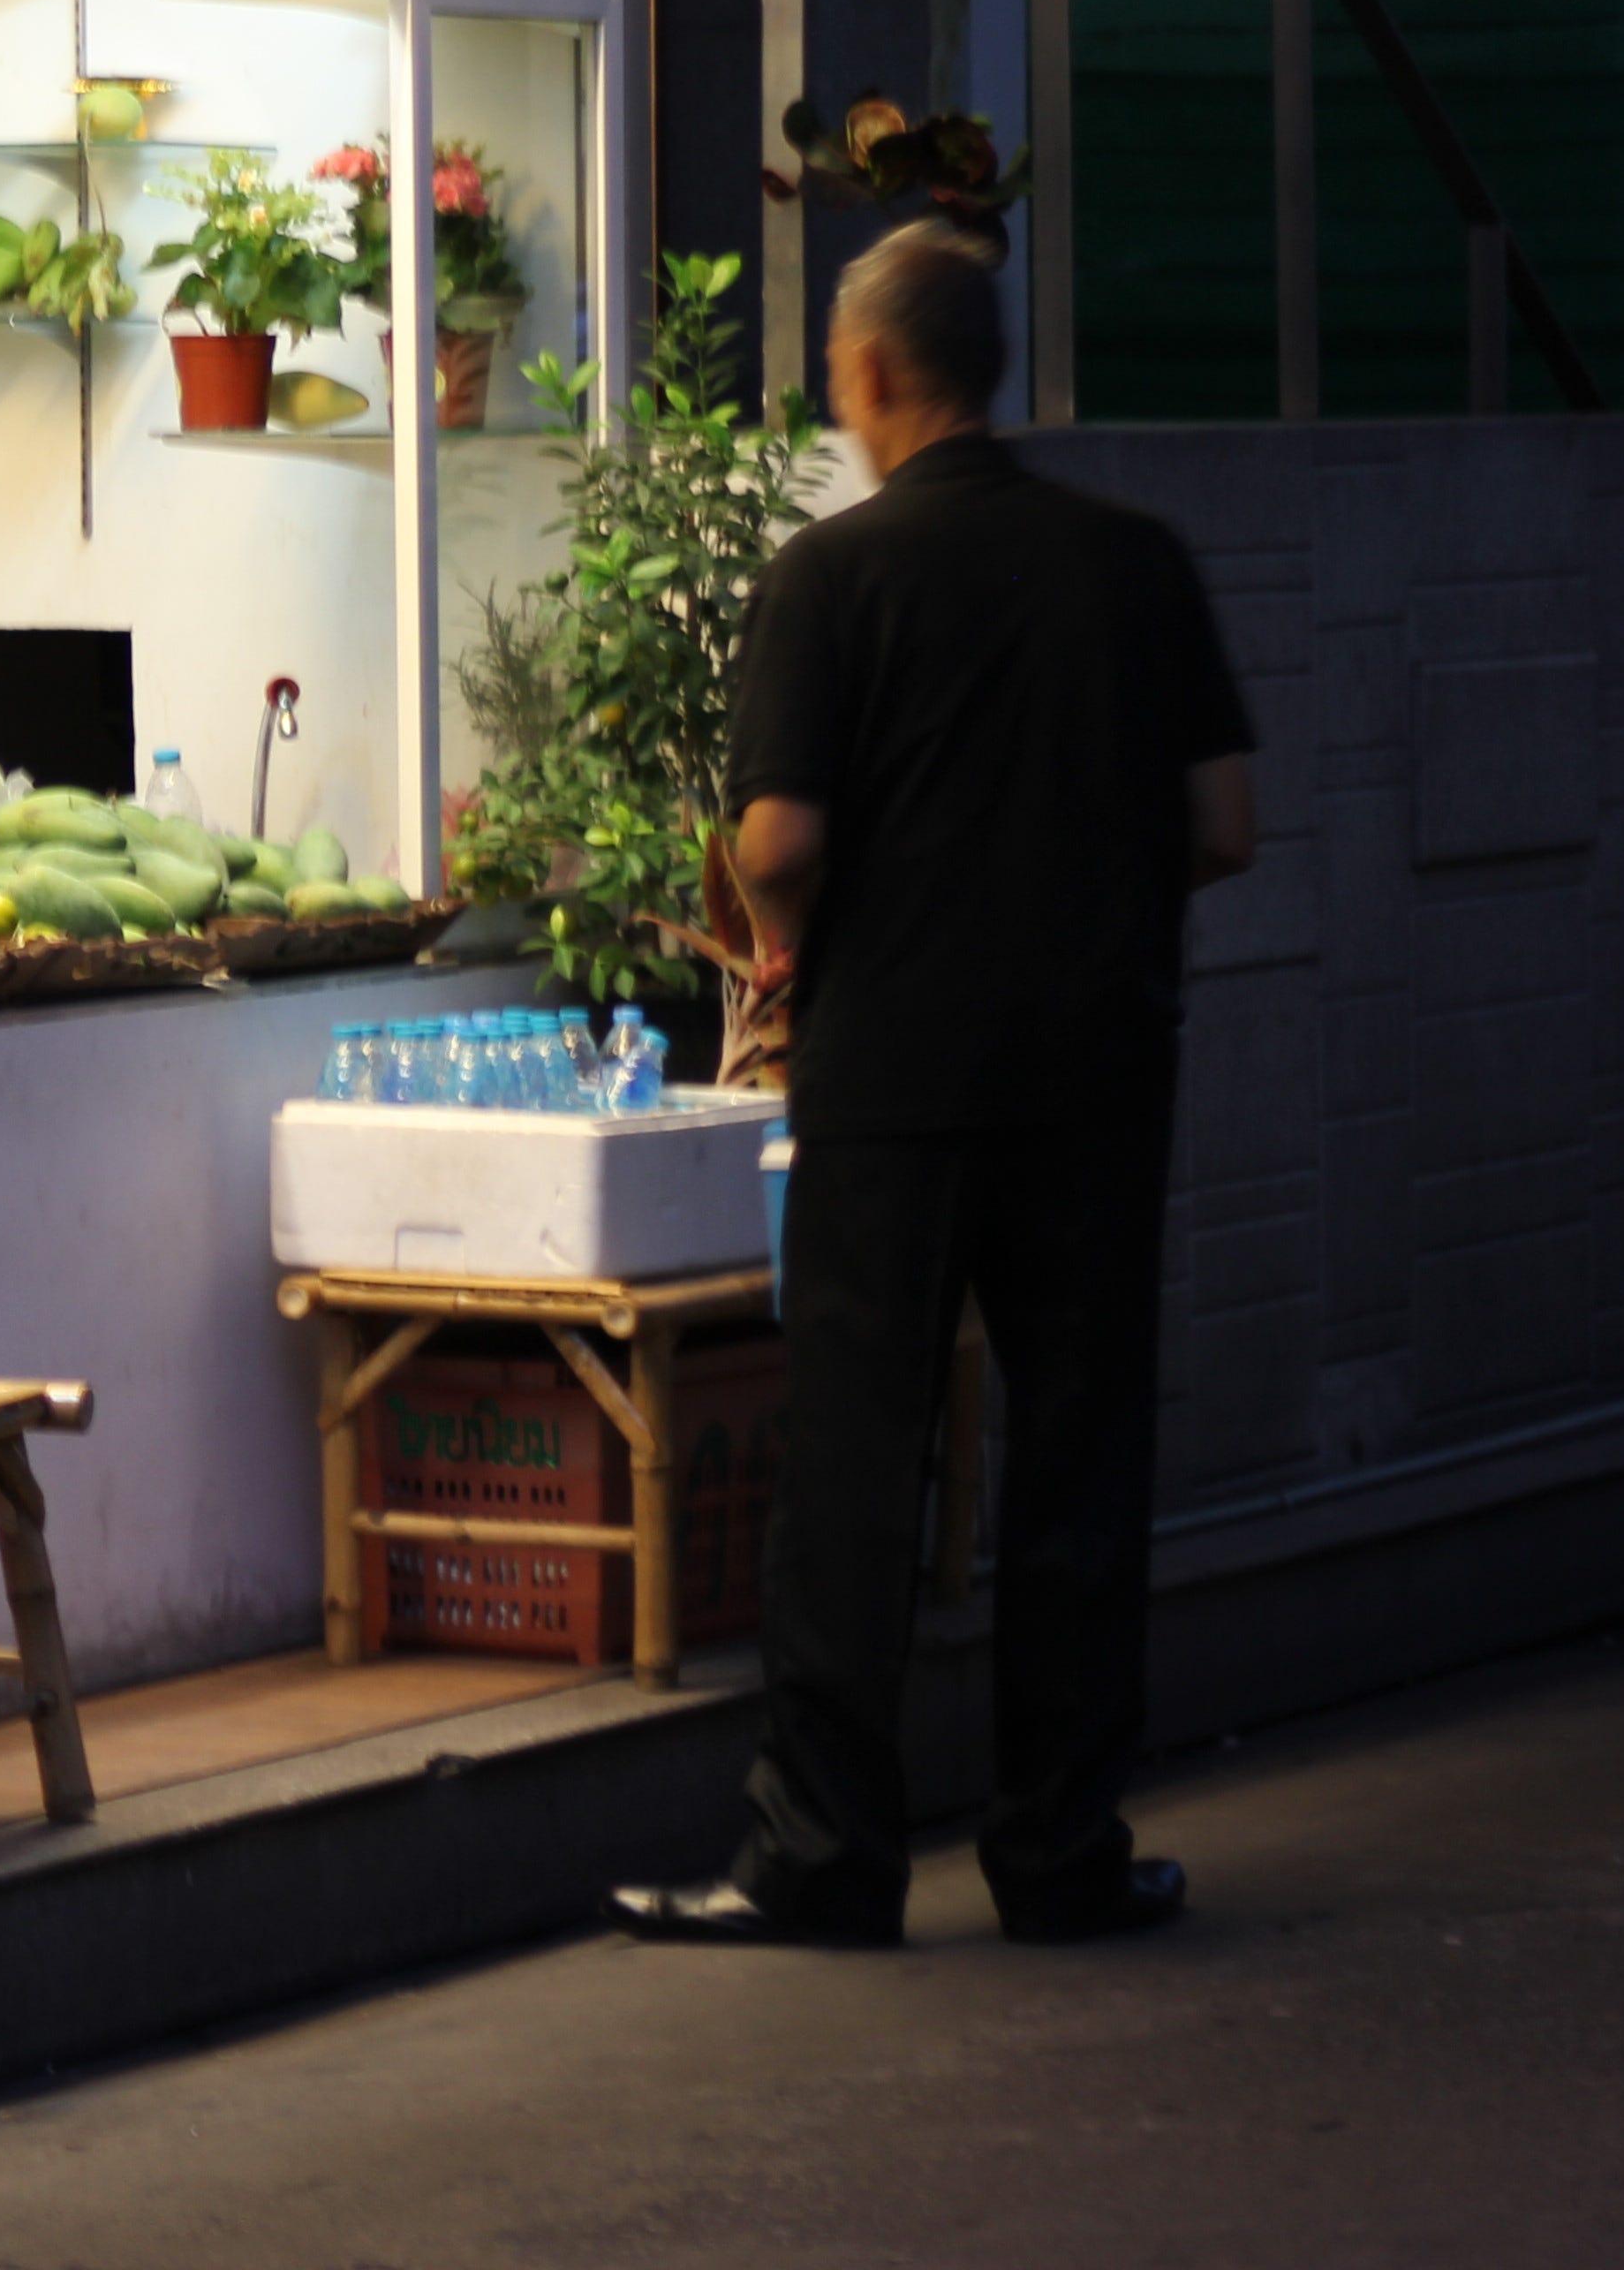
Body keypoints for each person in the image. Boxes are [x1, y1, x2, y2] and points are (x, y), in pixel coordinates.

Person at [613, 221, 1256, 1951]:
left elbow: (776, 842)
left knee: (854, 1464)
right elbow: (1223, 825)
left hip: (892, 1082)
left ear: (871, 373)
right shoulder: (1134, 562)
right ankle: (1061, 1854)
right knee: (1076, 1458)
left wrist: (781, 944)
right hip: (1097, 1075)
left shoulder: (829, 578)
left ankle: (824, 1856)